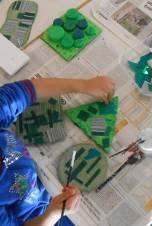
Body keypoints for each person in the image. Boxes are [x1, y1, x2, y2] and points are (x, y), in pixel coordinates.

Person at [0, 76, 115, 226]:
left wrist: (82, 84)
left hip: (41, 176)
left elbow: (24, 91)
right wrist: (53, 213)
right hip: (40, 217)